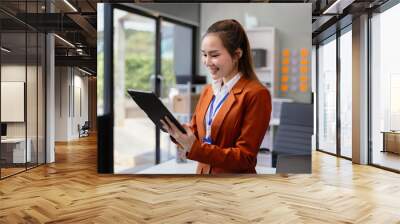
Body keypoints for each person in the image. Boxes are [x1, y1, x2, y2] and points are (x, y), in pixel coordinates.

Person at [160, 19, 271, 174]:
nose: (207, 62)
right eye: (204, 54)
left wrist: (195, 148)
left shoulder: (256, 94)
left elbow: (245, 157)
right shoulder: (208, 90)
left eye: (214, 55)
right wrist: (176, 131)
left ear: (237, 54)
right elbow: (195, 131)